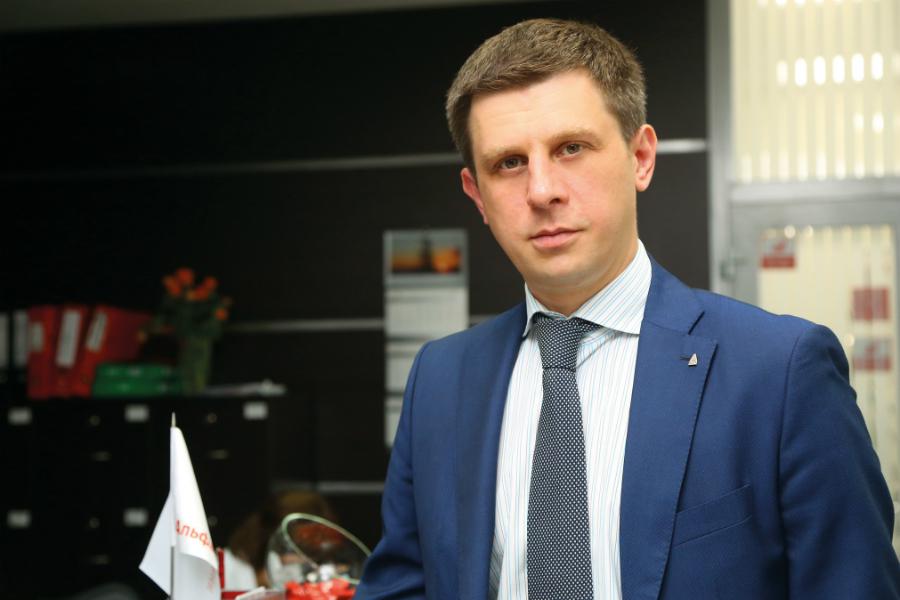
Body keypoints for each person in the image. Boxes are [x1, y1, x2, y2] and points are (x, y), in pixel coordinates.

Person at [356, 18, 900, 600]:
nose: (541, 191)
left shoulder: (779, 371)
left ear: (640, 157)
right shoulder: (441, 379)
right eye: (509, 163)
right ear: (477, 196)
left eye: (571, 148)